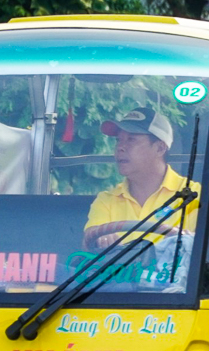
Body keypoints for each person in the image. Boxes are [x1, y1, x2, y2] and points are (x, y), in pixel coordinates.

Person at [83, 107, 200, 251]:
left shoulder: (194, 195)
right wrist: (101, 239)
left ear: (160, 148)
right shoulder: (106, 200)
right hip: (118, 274)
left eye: (131, 139)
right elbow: (90, 240)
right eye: (118, 140)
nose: (120, 147)